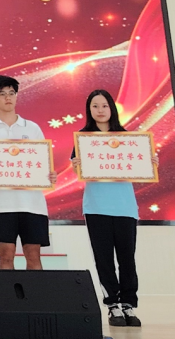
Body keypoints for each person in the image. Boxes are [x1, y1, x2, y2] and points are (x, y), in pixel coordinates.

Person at [70, 89, 154, 327]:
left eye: (104, 105)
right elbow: (77, 170)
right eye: (95, 106)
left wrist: (149, 163)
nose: (100, 110)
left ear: (112, 108)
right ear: (89, 110)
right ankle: (112, 305)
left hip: (125, 207)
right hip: (97, 207)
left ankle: (128, 305)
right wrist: (77, 165)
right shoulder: (83, 138)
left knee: (127, 259)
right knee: (104, 259)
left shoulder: (128, 138)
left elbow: (140, 167)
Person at [0, 75, 57, 270]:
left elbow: (43, 162)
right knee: (6, 256)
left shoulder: (32, 128)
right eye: (2, 93)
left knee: (34, 256)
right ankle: (7, 292)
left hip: (33, 204)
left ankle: (34, 292)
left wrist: (50, 175)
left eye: (12, 93)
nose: (8, 97)